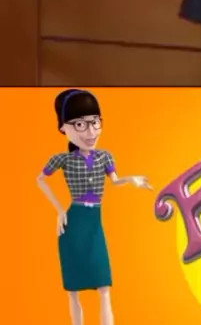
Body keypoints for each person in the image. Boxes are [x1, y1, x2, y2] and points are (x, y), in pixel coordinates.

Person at [37, 89, 153, 325]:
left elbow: (115, 180)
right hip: (73, 222)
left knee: (104, 286)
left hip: (94, 223)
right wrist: (60, 209)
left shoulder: (105, 157)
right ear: (64, 128)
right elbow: (40, 179)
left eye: (95, 123)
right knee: (73, 289)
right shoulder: (63, 159)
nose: (90, 132)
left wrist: (131, 180)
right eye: (80, 125)